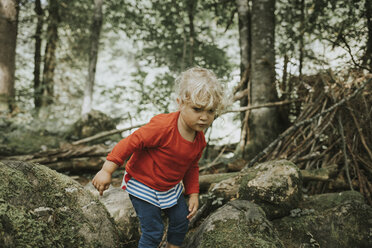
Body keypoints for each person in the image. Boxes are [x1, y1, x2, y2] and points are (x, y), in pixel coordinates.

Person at [92, 66, 225, 248]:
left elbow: (192, 166)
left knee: (181, 221)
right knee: (153, 231)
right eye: (197, 109)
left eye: (211, 111)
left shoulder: (199, 139)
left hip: (170, 187)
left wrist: (193, 193)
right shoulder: (162, 128)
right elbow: (130, 142)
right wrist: (106, 170)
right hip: (143, 184)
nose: (204, 117)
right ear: (180, 103)